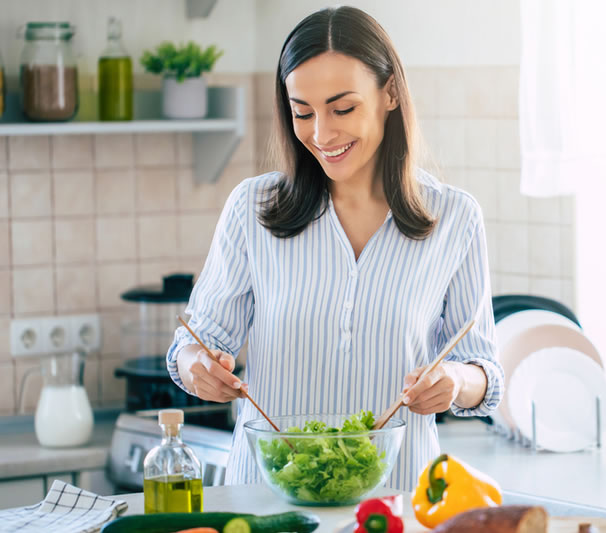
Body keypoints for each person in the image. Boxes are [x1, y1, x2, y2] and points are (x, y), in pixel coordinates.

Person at [166, 5, 503, 491]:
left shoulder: (455, 218)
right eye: (303, 112)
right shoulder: (252, 208)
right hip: (269, 503)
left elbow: (485, 372)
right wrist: (197, 367)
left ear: (390, 93)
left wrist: (456, 381)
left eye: (342, 109)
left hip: (394, 505)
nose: (322, 135)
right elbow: (193, 345)